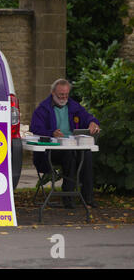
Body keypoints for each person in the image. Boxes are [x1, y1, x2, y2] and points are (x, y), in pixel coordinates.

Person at [30, 78, 100, 208]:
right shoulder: (43, 109)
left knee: (87, 155)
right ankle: (68, 198)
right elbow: (35, 128)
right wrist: (51, 133)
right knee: (69, 156)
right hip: (52, 150)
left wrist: (92, 122)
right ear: (53, 93)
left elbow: (87, 117)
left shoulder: (74, 106)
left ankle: (88, 198)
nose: (64, 97)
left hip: (73, 145)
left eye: (66, 94)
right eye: (61, 95)